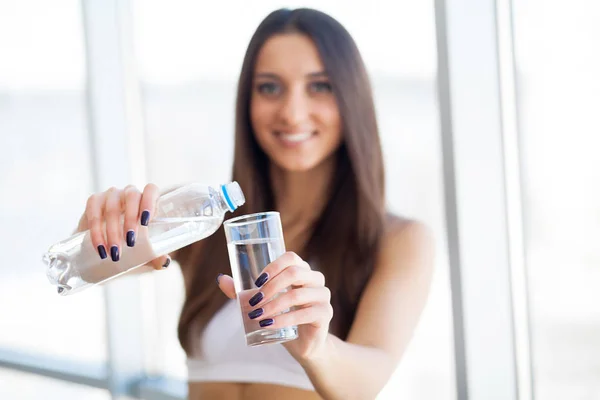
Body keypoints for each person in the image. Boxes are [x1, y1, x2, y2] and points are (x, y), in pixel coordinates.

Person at [76, 7, 434, 400]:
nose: (292, 113)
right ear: (246, 101)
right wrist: (97, 229)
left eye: (320, 86)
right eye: (269, 87)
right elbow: (86, 268)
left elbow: (363, 385)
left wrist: (317, 347)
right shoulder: (201, 220)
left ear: (352, 98)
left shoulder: (399, 239)